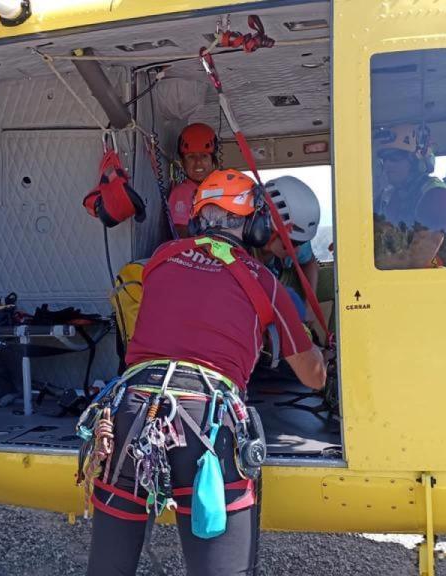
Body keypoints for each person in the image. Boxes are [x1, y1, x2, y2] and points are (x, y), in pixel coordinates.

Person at [81, 169, 326, 576]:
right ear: (258, 223)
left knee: (108, 568)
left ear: (197, 219)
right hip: (208, 423)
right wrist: (315, 348)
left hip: (130, 413)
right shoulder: (263, 282)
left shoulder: (160, 259)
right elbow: (312, 377)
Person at [373, 123, 446, 269]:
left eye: (395, 157)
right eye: (384, 159)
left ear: (415, 161)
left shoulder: (437, 195)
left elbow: (418, 259)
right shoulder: (393, 196)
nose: (387, 165)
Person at [255, 176, 322, 316]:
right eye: (291, 243)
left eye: (300, 243)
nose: (295, 250)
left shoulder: (296, 233)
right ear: (268, 228)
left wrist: (310, 305)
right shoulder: (240, 249)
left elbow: (309, 263)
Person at [167, 122, 219, 238]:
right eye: (191, 157)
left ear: (213, 160)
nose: (198, 162)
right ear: (183, 162)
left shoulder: (223, 189)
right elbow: (180, 234)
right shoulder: (182, 192)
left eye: (204, 156)